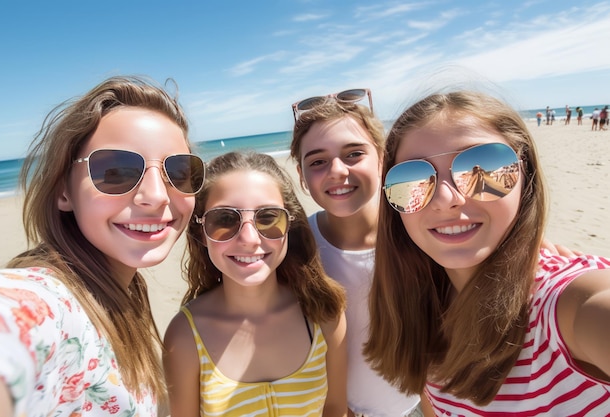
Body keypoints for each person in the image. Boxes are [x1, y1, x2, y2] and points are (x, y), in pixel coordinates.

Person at [364, 90, 610, 415]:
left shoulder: (566, 307)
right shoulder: (421, 307)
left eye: (482, 166)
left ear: (526, 174)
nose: (445, 198)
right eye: (412, 179)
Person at [0, 75, 206, 416]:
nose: (157, 196)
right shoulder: (51, 301)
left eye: (179, 171)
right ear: (63, 192)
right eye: (116, 171)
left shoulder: (123, 291)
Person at [163, 151, 348, 417]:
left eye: (268, 217)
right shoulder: (184, 337)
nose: (249, 239)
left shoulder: (324, 313)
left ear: (289, 225)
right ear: (201, 232)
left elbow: (335, 409)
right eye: (225, 219)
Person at [290, 89, 425, 417]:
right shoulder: (293, 247)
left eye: (353, 154)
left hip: (422, 404)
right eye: (318, 161)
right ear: (302, 177)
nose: (336, 171)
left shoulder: (419, 229)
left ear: (381, 159)